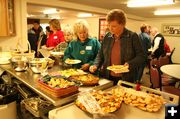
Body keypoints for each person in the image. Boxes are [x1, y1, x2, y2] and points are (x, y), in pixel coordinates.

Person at [89, 9, 145, 85]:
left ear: (122, 24)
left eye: (114, 26)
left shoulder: (132, 36)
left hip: (126, 78)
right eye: (109, 25)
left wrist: (130, 64)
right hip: (107, 76)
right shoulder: (107, 36)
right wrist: (95, 65)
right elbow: (100, 54)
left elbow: (141, 56)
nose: (110, 28)